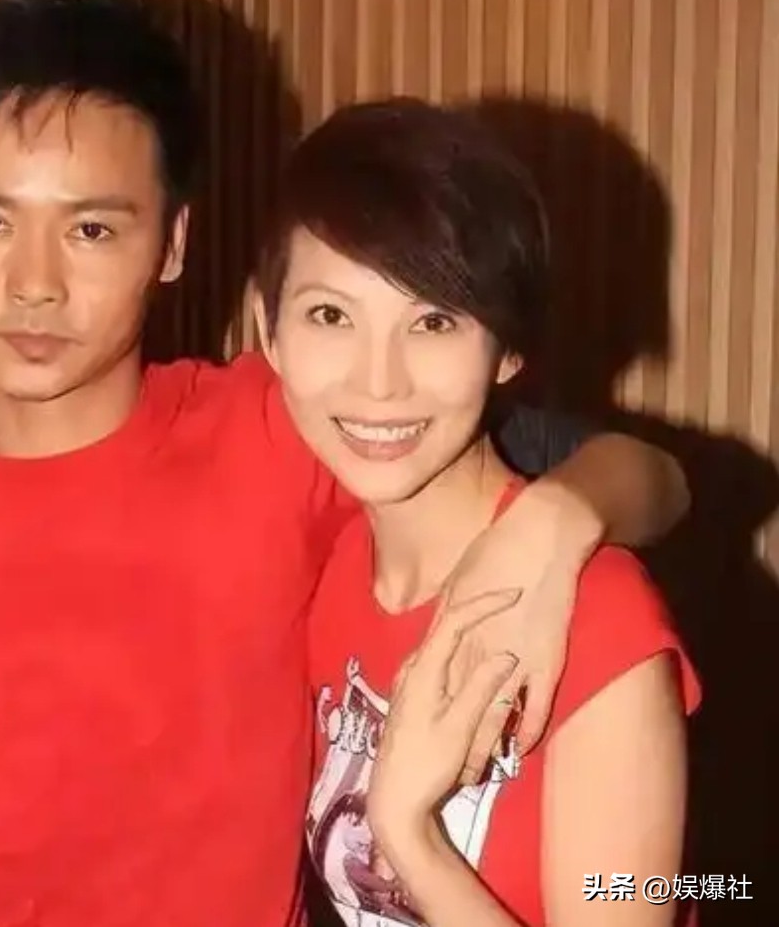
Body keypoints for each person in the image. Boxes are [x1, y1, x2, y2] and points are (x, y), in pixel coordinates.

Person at [0, 0, 689, 927]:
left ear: (171, 242)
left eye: (91, 228)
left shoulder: (284, 427)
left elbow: (647, 474)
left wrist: (554, 524)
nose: (34, 283)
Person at [251, 98, 700, 926]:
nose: (378, 381)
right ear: (266, 327)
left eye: (432, 320)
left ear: (507, 347)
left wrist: (407, 833)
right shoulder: (330, 572)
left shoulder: (594, 612)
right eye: (330, 315)